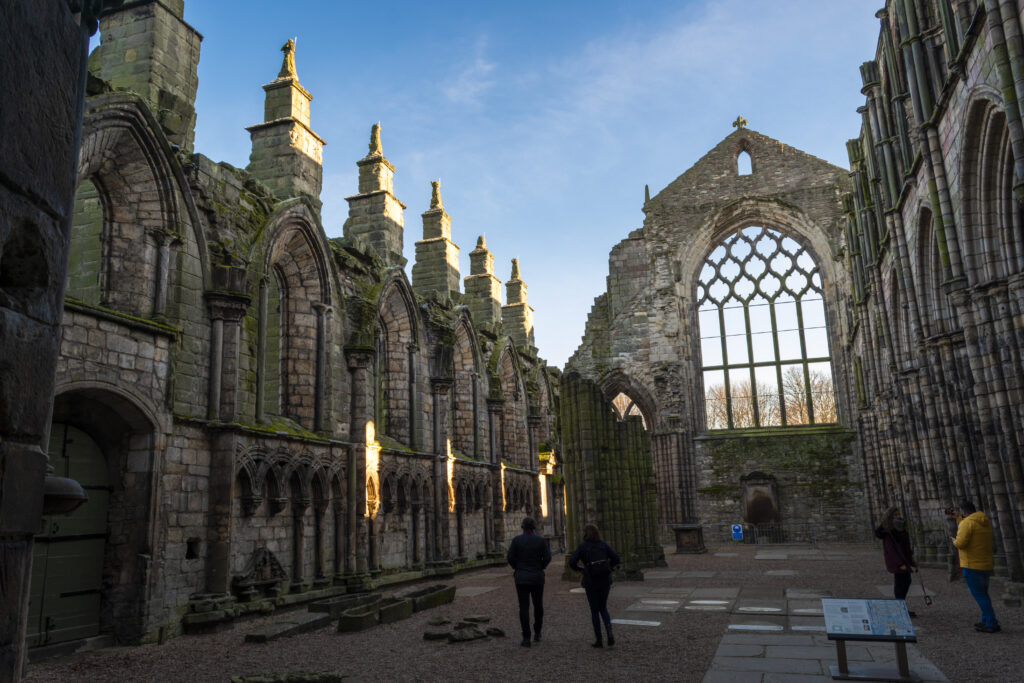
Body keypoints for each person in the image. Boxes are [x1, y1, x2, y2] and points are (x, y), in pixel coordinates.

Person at [569, 523, 622, 648]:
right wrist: (609, 567)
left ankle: (599, 639)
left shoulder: (583, 547)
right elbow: (616, 558)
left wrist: (581, 569)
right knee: (603, 608)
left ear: (585, 534)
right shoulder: (603, 545)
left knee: (594, 610)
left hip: (591, 581)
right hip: (604, 579)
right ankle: (609, 633)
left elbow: (572, 562)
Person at [951, 499, 1000, 633]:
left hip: (971, 565)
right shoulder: (983, 521)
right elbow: (971, 531)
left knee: (980, 595)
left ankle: (991, 623)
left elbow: (961, 543)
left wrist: (954, 541)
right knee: (983, 594)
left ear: (964, 511)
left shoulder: (967, 523)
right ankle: (985, 620)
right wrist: (959, 520)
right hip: (985, 564)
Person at [506, 516, 552, 647]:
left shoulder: (517, 540)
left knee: (524, 607)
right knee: (538, 605)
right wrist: (540, 567)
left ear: (522, 527)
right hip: (537, 576)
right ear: (534, 527)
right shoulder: (541, 540)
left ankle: (526, 637)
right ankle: (537, 632)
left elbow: (510, 557)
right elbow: (548, 557)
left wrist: (518, 568)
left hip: (521, 578)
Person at [874, 506, 917, 616]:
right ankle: (899, 608)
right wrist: (900, 563)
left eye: (898, 514)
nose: (898, 516)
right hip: (897, 561)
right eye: (895, 515)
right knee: (901, 583)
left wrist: (911, 561)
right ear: (890, 517)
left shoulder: (901, 528)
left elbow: (906, 547)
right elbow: (890, 549)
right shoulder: (889, 531)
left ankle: (900, 606)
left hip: (904, 559)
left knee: (906, 581)